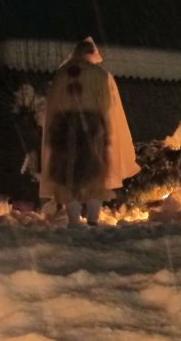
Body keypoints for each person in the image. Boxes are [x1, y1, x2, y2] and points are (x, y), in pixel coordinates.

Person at [40, 37, 140, 226]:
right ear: (91, 54)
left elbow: (52, 106)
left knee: (67, 176)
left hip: (63, 130)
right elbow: (108, 105)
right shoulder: (100, 75)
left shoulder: (61, 74)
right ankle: (93, 219)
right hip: (91, 128)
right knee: (95, 176)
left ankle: (73, 219)